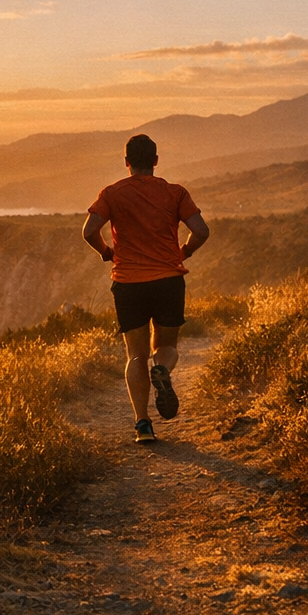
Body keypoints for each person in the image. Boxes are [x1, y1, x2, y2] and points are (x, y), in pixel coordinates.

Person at [82, 133, 210, 444]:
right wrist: (184, 251)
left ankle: (143, 425)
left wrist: (105, 252)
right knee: (165, 348)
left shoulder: (112, 194)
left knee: (135, 355)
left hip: (128, 283)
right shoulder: (175, 193)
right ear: (155, 160)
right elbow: (201, 231)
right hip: (168, 280)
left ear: (126, 162)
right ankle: (162, 369)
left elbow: (89, 231)